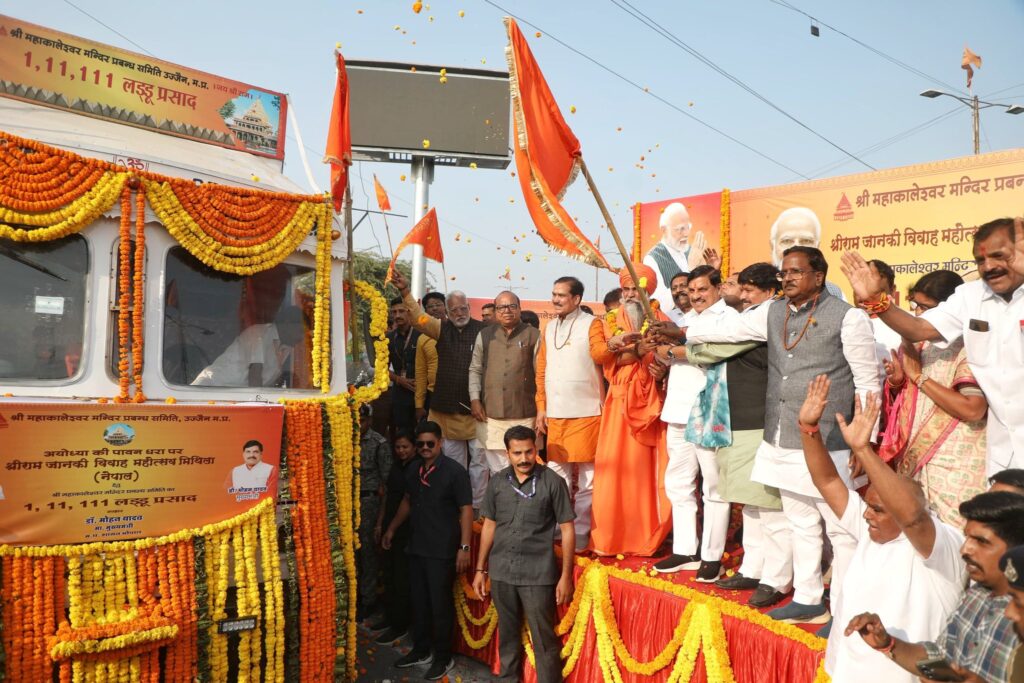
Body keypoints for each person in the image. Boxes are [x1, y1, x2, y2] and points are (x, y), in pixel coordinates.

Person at [685, 246, 880, 628]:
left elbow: (868, 383)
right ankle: (809, 599)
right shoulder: (772, 311)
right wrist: (681, 329)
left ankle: (844, 609)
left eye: (796, 272)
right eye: (784, 272)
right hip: (780, 435)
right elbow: (728, 329)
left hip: (831, 441)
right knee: (799, 521)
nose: (787, 278)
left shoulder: (849, 317)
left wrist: (863, 441)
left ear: (818, 277)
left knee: (841, 530)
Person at [799, 380, 968, 681]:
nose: (866, 513)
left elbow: (913, 519)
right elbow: (827, 481)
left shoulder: (942, 547)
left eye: (878, 509)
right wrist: (808, 428)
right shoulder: (870, 532)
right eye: (868, 505)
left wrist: (864, 451)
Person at [841, 217, 1024, 474]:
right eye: (981, 260)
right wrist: (875, 300)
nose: (989, 266)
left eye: (999, 256)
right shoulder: (971, 296)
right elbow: (918, 329)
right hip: (1002, 453)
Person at [845, 491, 1024, 683]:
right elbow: (941, 657)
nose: (965, 550)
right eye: (967, 538)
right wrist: (888, 644)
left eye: (981, 541)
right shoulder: (975, 595)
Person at [690, 263, 789, 607]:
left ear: (768, 290)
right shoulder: (748, 316)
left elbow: (716, 346)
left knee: (768, 504)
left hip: (758, 419)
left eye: (747, 289)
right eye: (741, 288)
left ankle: (776, 579)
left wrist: (685, 343)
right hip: (736, 418)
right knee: (749, 502)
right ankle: (752, 568)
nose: (741, 295)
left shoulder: (770, 315)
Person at [880, 270, 988, 527]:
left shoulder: (968, 346)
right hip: (918, 463)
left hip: (956, 467)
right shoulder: (920, 345)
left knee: (958, 545)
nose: (917, 313)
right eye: (914, 305)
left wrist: (918, 378)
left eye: (925, 308)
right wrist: (898, 382)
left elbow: (973, 409)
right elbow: (912, 403)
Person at [473, 426, 575, 683]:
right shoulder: (497, 482)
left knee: (544, 641)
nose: (524, 458)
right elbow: (489, 525)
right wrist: (480, 569)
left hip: (537, 574)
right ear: (507, 453)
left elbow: (567, 529)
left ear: (536, 448)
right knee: (507, 635)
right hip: (502, 571)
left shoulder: (553, 482)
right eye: (517, 453)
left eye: (529, 451)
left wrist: (566, 576)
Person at [651, 265, 732, 580]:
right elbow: (676, 351)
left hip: (708, 411)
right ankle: (685, 550)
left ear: (717, 289)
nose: (695, 296)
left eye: (702, 290)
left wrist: (674, 349)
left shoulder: (727, 319)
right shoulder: (686, 320)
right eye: (691, 291)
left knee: (713, 487)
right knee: (678, 483)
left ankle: (711, 556)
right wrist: (667, 354)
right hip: (677, 412)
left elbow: (709, 351)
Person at [590, 264, 672, 556]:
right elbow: (601, 356)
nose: (629, 296)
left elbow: (670, 358)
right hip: (619, 403)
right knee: (615, 471)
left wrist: (661, 369)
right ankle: (611, 535)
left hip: (651, 400)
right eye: (625, 290)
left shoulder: (662, 320)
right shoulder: (606, 321)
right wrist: (630, 351)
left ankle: (644, 536)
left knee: (646, 472)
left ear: (647, 292)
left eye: (634, 290)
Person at [382, 421, 473, 681]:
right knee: (419, 603)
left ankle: (443, 657)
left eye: (429, 444)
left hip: (442, 550)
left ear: (440, 443)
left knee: (439, 606)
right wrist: (391, 529)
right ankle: (421, 650)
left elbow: (466, 509)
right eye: (420, 444)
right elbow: (408, 501)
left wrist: (464, 547)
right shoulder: (413, 470)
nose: (424, 448)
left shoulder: (455, 472)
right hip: (417, 546)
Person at [395, 270, 489, 510]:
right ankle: (455, 505)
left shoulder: (484, 331)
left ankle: (477, 507)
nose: (460, 313)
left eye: (463, 308)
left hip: (477, 410)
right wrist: (405, 291)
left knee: (479, 463)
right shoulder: (440, 329)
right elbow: (417, 318)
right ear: (447, 312)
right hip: (446, 410)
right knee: (453, 464)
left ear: (470, 308)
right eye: (454, 310)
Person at [535, 276, 611, 550]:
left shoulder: (592, 324)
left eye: (561, 295)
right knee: (557, 476)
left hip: (587, 410)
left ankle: (579, 534)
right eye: (553, 294)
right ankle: (558, 530)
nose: (555, 300)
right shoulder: (550, 326)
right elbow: (542, 370)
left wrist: (615, 343)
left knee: (589, 477)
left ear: (576, 299)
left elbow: (601, 355)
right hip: (555, 412)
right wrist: (541, 407)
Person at [469, 291, 541, 478]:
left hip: (524, 413)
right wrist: (475, 399)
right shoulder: (485, 335)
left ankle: (525, 506)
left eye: (512, 306)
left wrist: (542, 409)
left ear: (519, 308)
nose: (507, 311)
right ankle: (503, 506)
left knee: (524, 466)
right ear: (495, 311)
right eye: (501, 307)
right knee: (497, 470)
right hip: (490, 413)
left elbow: (541, 375)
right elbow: (475, 369)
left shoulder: (534, 335)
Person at [371, 430, 416, 644]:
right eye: (398, 447)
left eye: (405, 447)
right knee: (388, 574)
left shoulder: (416, 468)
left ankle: (400, 625)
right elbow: (388, 495)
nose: (401, 451)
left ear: (414, 447)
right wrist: (381, 523)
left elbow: (406, 502)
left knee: (402, 579)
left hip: (405, 529)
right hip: (390, 523)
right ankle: (389, 619)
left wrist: (392, 528)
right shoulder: (396, 467)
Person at [356, 404, 392, 621]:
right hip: (349, 503)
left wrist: (380, 521)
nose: (359, 425)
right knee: (353, 554)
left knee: (368, 553)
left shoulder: (379, 444)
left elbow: (386, 484)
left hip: (370, 502)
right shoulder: (346, 438)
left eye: (363, 421)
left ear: (369, 420)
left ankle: (368, 600)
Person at [644, 202, 707, 315]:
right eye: (680, 229)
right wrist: (691, 271)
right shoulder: (653, 258)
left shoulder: (691, 251)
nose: (686, 234)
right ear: (664, 230)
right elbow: (659, 303)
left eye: (687, 228)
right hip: (674, 322)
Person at [769, 208, 845, 300]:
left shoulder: (833, 292)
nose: (796, 247)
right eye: (787, 241)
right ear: (773, 246)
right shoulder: (762, 290)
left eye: (806, 241)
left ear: (817, 246)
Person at [388, 297, 420, 435]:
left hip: (421, 392)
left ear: (410, 311)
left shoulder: (422, 335)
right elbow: (381, 369)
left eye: (401, 311)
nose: (397, 315)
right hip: (399, 392)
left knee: (421, 433)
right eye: (394, 312)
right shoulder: (388, 338)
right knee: (401, 435)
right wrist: (399, 380)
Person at [415, 291, 446, 422]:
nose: (434, 308)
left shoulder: (457, 330)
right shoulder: (422, 339)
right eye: (430, 306)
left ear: (446, 307)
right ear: (425, 311)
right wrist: (419, 405)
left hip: (459, 392)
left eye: (438, 304)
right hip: (433, 394)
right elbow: (421, 373)